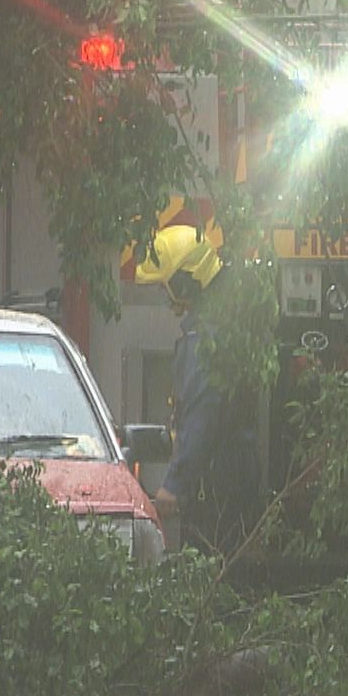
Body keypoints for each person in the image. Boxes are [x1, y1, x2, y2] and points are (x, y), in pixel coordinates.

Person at [133, 222, 259, 555]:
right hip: (235, 484)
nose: (166, 297)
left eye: (166, 287)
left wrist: (174, 485)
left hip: (213, 491)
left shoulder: (203, 339)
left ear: (184, 281)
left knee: (207, 570)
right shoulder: (229, 322)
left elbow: (201, 415)